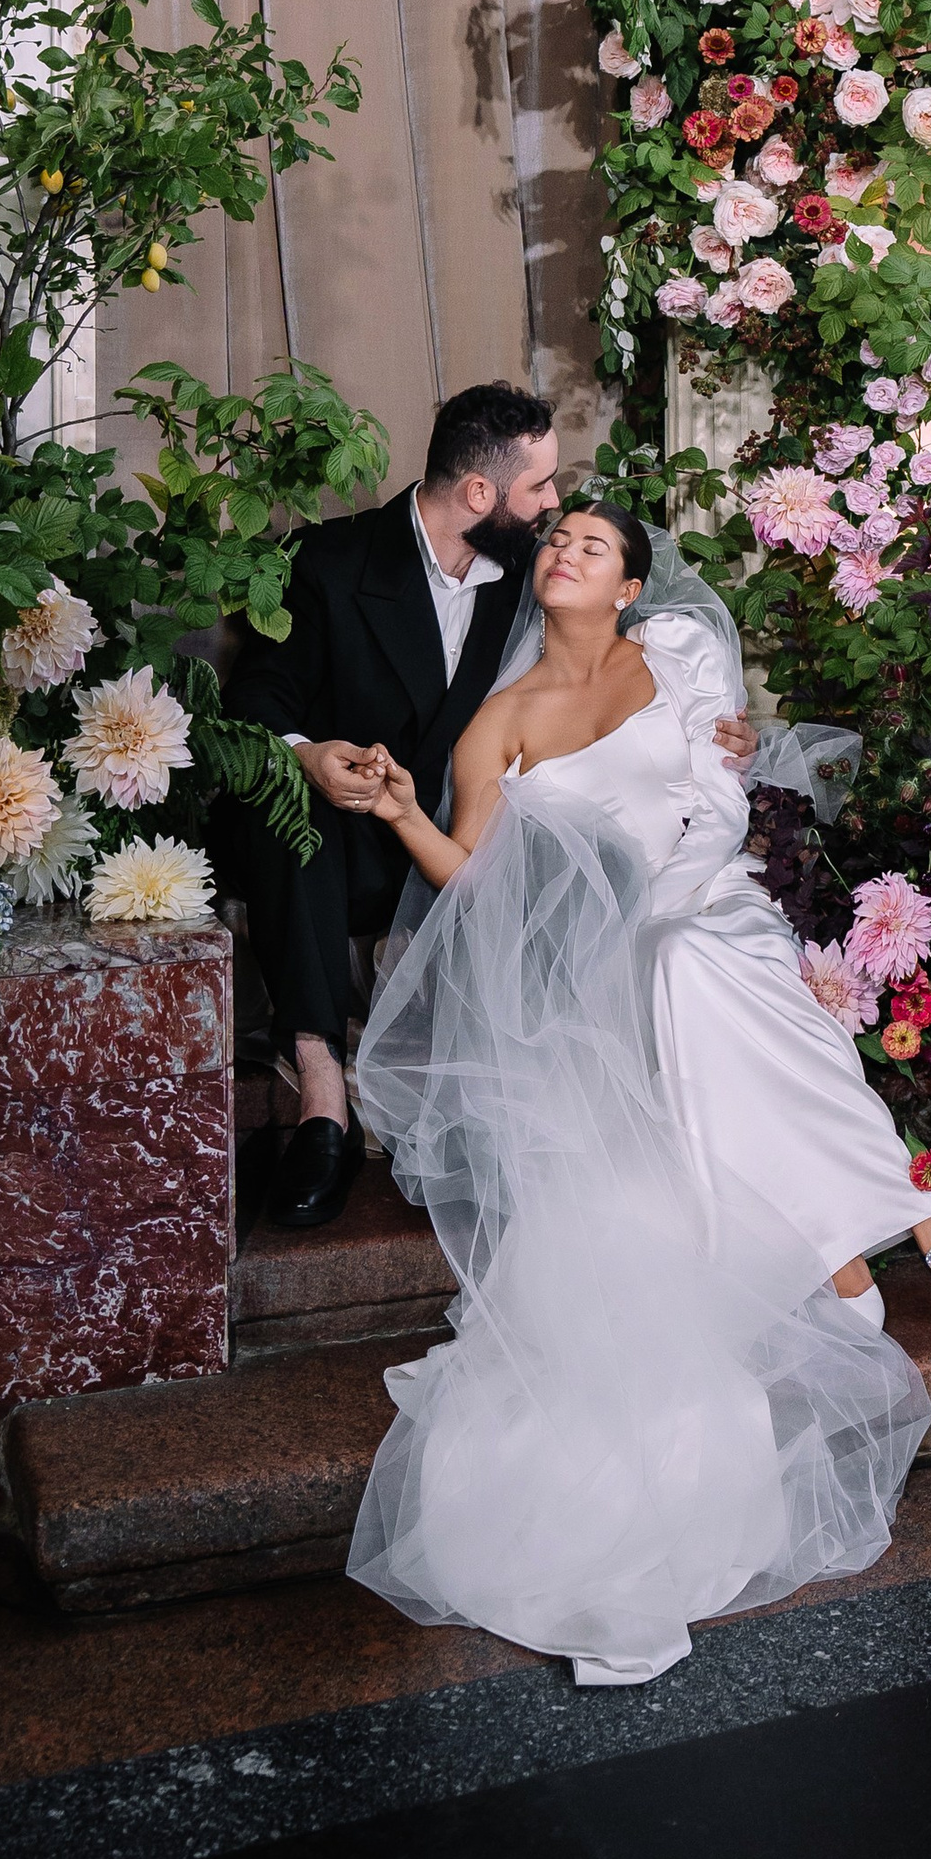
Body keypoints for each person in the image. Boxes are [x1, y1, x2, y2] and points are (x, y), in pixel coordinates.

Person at [333, 498, 931, 1686]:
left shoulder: (683, 656)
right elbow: (475, 879)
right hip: (618, 955)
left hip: (713, 904)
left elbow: (722, 782)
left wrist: (732, 754)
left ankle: (887, 1237)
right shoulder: (494, 726)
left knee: (716, 972)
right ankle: (889, 1233)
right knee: (684, 986)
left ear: (632, 583)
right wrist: (401, 811)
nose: (565, 553)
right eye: (555, 542)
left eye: (591, 545)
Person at [218, 383, 565, 1229]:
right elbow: (255, 696)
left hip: (459, 830)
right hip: (337, 844)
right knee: (288, 819)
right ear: (479, 495)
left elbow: (626, 614)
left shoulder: (530, 573)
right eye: (540, 488)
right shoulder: (332, 562)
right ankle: (325, 1098)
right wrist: (308, 755)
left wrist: (707, 716)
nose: (554, 505)